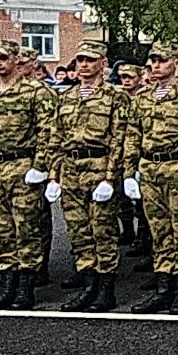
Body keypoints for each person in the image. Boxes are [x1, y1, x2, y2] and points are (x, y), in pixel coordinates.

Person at [122, 42, 178, 315]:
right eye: (153, 61)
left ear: (175, 63)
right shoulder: (143, 97)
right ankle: (163, 289)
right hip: (150, 169)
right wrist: (129, 172)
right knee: (158, 231)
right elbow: (133, 136)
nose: (156, 66)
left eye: (162, 61)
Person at [49, 40, 134, 312]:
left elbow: (120, 139)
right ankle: (89, 285)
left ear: (103, 63)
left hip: (99, 167)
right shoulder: (67, 97)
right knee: (79, 231)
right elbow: (56, 138)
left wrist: (110, 178)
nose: (84, 65)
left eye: (90, 60)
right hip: (71, 169)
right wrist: (53, 175)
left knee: (102, 230)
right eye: (80, 60)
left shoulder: (115, 96)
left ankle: (106, 290)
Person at [0, 39, 56, 311]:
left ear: (15, 60)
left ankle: (26, 287)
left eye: (3, 58)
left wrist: (40, 167)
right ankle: (7, 284)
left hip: (22, 166)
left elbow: (48, 132)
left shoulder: (35, 91)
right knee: (2, 229)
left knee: (27, 228)